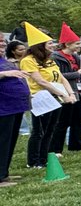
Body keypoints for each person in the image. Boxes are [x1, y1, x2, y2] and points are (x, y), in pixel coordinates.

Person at [20, 31, 73, 169]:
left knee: (50, 129)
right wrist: (63, 94)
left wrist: (70, 93)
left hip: (54, 97)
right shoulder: (28, 61)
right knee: (39, 130)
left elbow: (61, 77)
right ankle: (33, 161)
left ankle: (44, 159)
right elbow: (40, 81)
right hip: (39, 98)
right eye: (49, 43)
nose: (53, 45)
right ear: (40, 45)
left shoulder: (49, 60)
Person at [0, 37, 32, 186]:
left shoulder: (5, 61)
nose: (2, 46)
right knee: (2, 141)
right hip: (3, 108)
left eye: (3, 43)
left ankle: (4, 172)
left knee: (10, 140)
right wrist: (5, 74)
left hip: (16, 106)